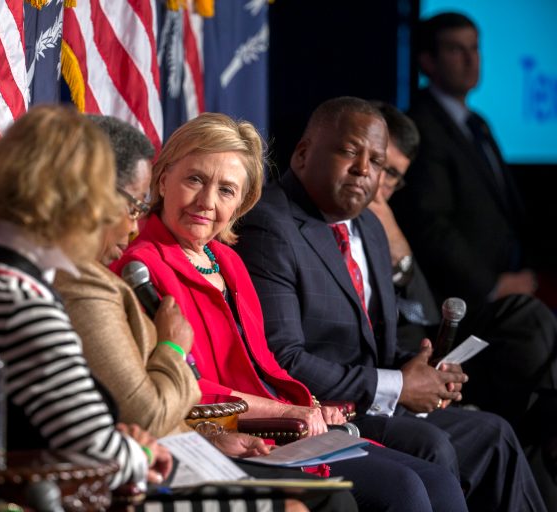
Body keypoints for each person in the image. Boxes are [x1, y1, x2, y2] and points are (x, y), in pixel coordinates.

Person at [113, 112, 470, 512]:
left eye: (227, 190)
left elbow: (265, 366)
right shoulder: (139, 268)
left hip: (291, 427)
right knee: (402, 490)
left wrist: (315, 407)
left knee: (436, 480)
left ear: (242, 202)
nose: (207, 202)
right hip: (225, 435)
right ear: (163, 180)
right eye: (195, 179)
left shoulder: (228, 262)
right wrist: (290, 411)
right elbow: (187, 389)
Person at [234, 95, 546, 511]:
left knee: (495, 434)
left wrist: (424, 375)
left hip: (372, 398)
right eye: (349, 152)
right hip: (317, 410)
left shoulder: (369, 227)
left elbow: (375, 347)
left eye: (377, 162)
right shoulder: (271, 224)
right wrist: (400, 385)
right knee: (430, 445)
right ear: (304, 153)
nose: (365, 170)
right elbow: (282, 360)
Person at [0, 105, 170, 491]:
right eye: (125, 205)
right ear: (82, 203)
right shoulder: (22, 303)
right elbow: (101, 456)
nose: (128, 223)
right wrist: (142, 453)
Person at [368, 100, 557, 506]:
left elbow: (424, 311)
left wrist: (400, 252)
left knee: (526, 314)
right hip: (389, 367)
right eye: (380, 168)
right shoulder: (331, 218)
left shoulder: (382, 217)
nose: (380, 185)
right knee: (508, 432)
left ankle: (549, 422)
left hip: (432, 344)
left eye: (394, 177)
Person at [390, 12, 535, 311]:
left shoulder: (477, 122)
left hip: (505, 287)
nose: (471, 60)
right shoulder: (420, 125)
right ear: (428, 61)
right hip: (461, 299)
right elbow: (428, 222)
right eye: (457, 49)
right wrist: (491, 285)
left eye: (475, 48)